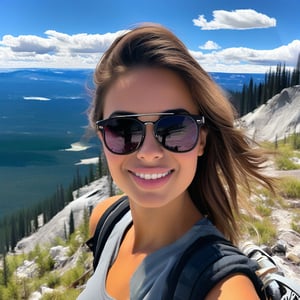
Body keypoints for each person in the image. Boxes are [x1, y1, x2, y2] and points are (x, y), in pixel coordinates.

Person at [78, 23, 275, 299]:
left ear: (202, 141)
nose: (149, 151)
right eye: (123, 129)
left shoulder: (226, 288)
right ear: (102, 137)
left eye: (176, 128)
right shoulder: (105, 219)